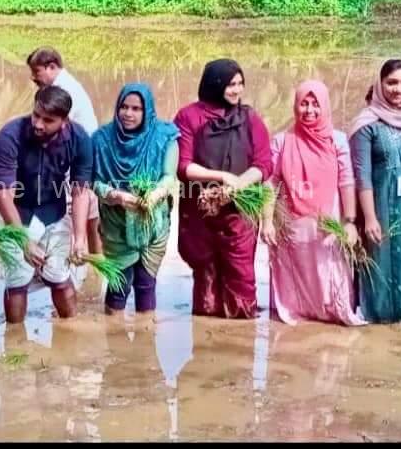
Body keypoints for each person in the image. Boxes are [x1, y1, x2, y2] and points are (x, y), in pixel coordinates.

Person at [174, 59, 273, 319]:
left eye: (240, 84)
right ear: (214, 84)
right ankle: (207, 345)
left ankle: (240, 339)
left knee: (241, 273)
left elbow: (264, 164)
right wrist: (222, 178)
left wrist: (238, 185)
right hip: (200, 211)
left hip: (239, 211)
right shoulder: (189, 117)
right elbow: (183, 166)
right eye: (231, 85)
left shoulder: (250, 118)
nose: (237, 91)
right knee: (205, 276)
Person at [261, 80, 365, 326]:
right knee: (294, 269)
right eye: (304, 104)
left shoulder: (337, 140)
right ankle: (296, 311)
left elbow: (347, 180)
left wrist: (349, 222)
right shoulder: (282, 141)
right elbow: (269, 183)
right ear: (295, 106)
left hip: (328, 218)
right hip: (292, 221)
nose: (309, 110)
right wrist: (267, 222)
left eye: (315, 104)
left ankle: (332, 311)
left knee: (328, 266)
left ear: (325, 106)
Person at [0, 85, 92, 323]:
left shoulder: (80, 139)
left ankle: (70, 332)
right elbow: (3, 193)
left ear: (64, 121)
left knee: (60, 278)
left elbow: (80, 191)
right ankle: (15, 341)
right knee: (16, 282)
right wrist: (23, 240)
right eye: (36, 115)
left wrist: (79, 238)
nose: (38, 124)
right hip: (16, 215)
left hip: (54, 215)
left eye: (48, 120)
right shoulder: (10, 135)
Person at [348, 59, 401, 326]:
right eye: (392, 82)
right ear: (380, 84)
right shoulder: (366, 123)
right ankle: (381, 316)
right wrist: (370, 217)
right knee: (381, 259)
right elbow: (361, 175)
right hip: (381, 205)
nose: (399, 89)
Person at [91, 83, 179, 316]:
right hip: (115, 224)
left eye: (136, 108)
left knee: (146, 283)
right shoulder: (101, 139)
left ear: (147, 110)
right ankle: (113, 337)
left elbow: (169, 177)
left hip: (153, 223)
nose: (128, 114)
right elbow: (94, 181)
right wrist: (115, 195)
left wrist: (155, 194)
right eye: (124, 107)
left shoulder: (164, 136)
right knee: (118, 284)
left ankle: (146, 340)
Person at [26, 47, 102, 255]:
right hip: (83, 158)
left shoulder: (63, 91)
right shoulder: (65, 85)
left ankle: (80, 263)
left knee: (73, 216)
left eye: (37, 73)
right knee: (89, 216)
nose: (34, 78)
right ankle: (94, 268)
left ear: (52, 67)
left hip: (76, 159)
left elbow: (56, 134)